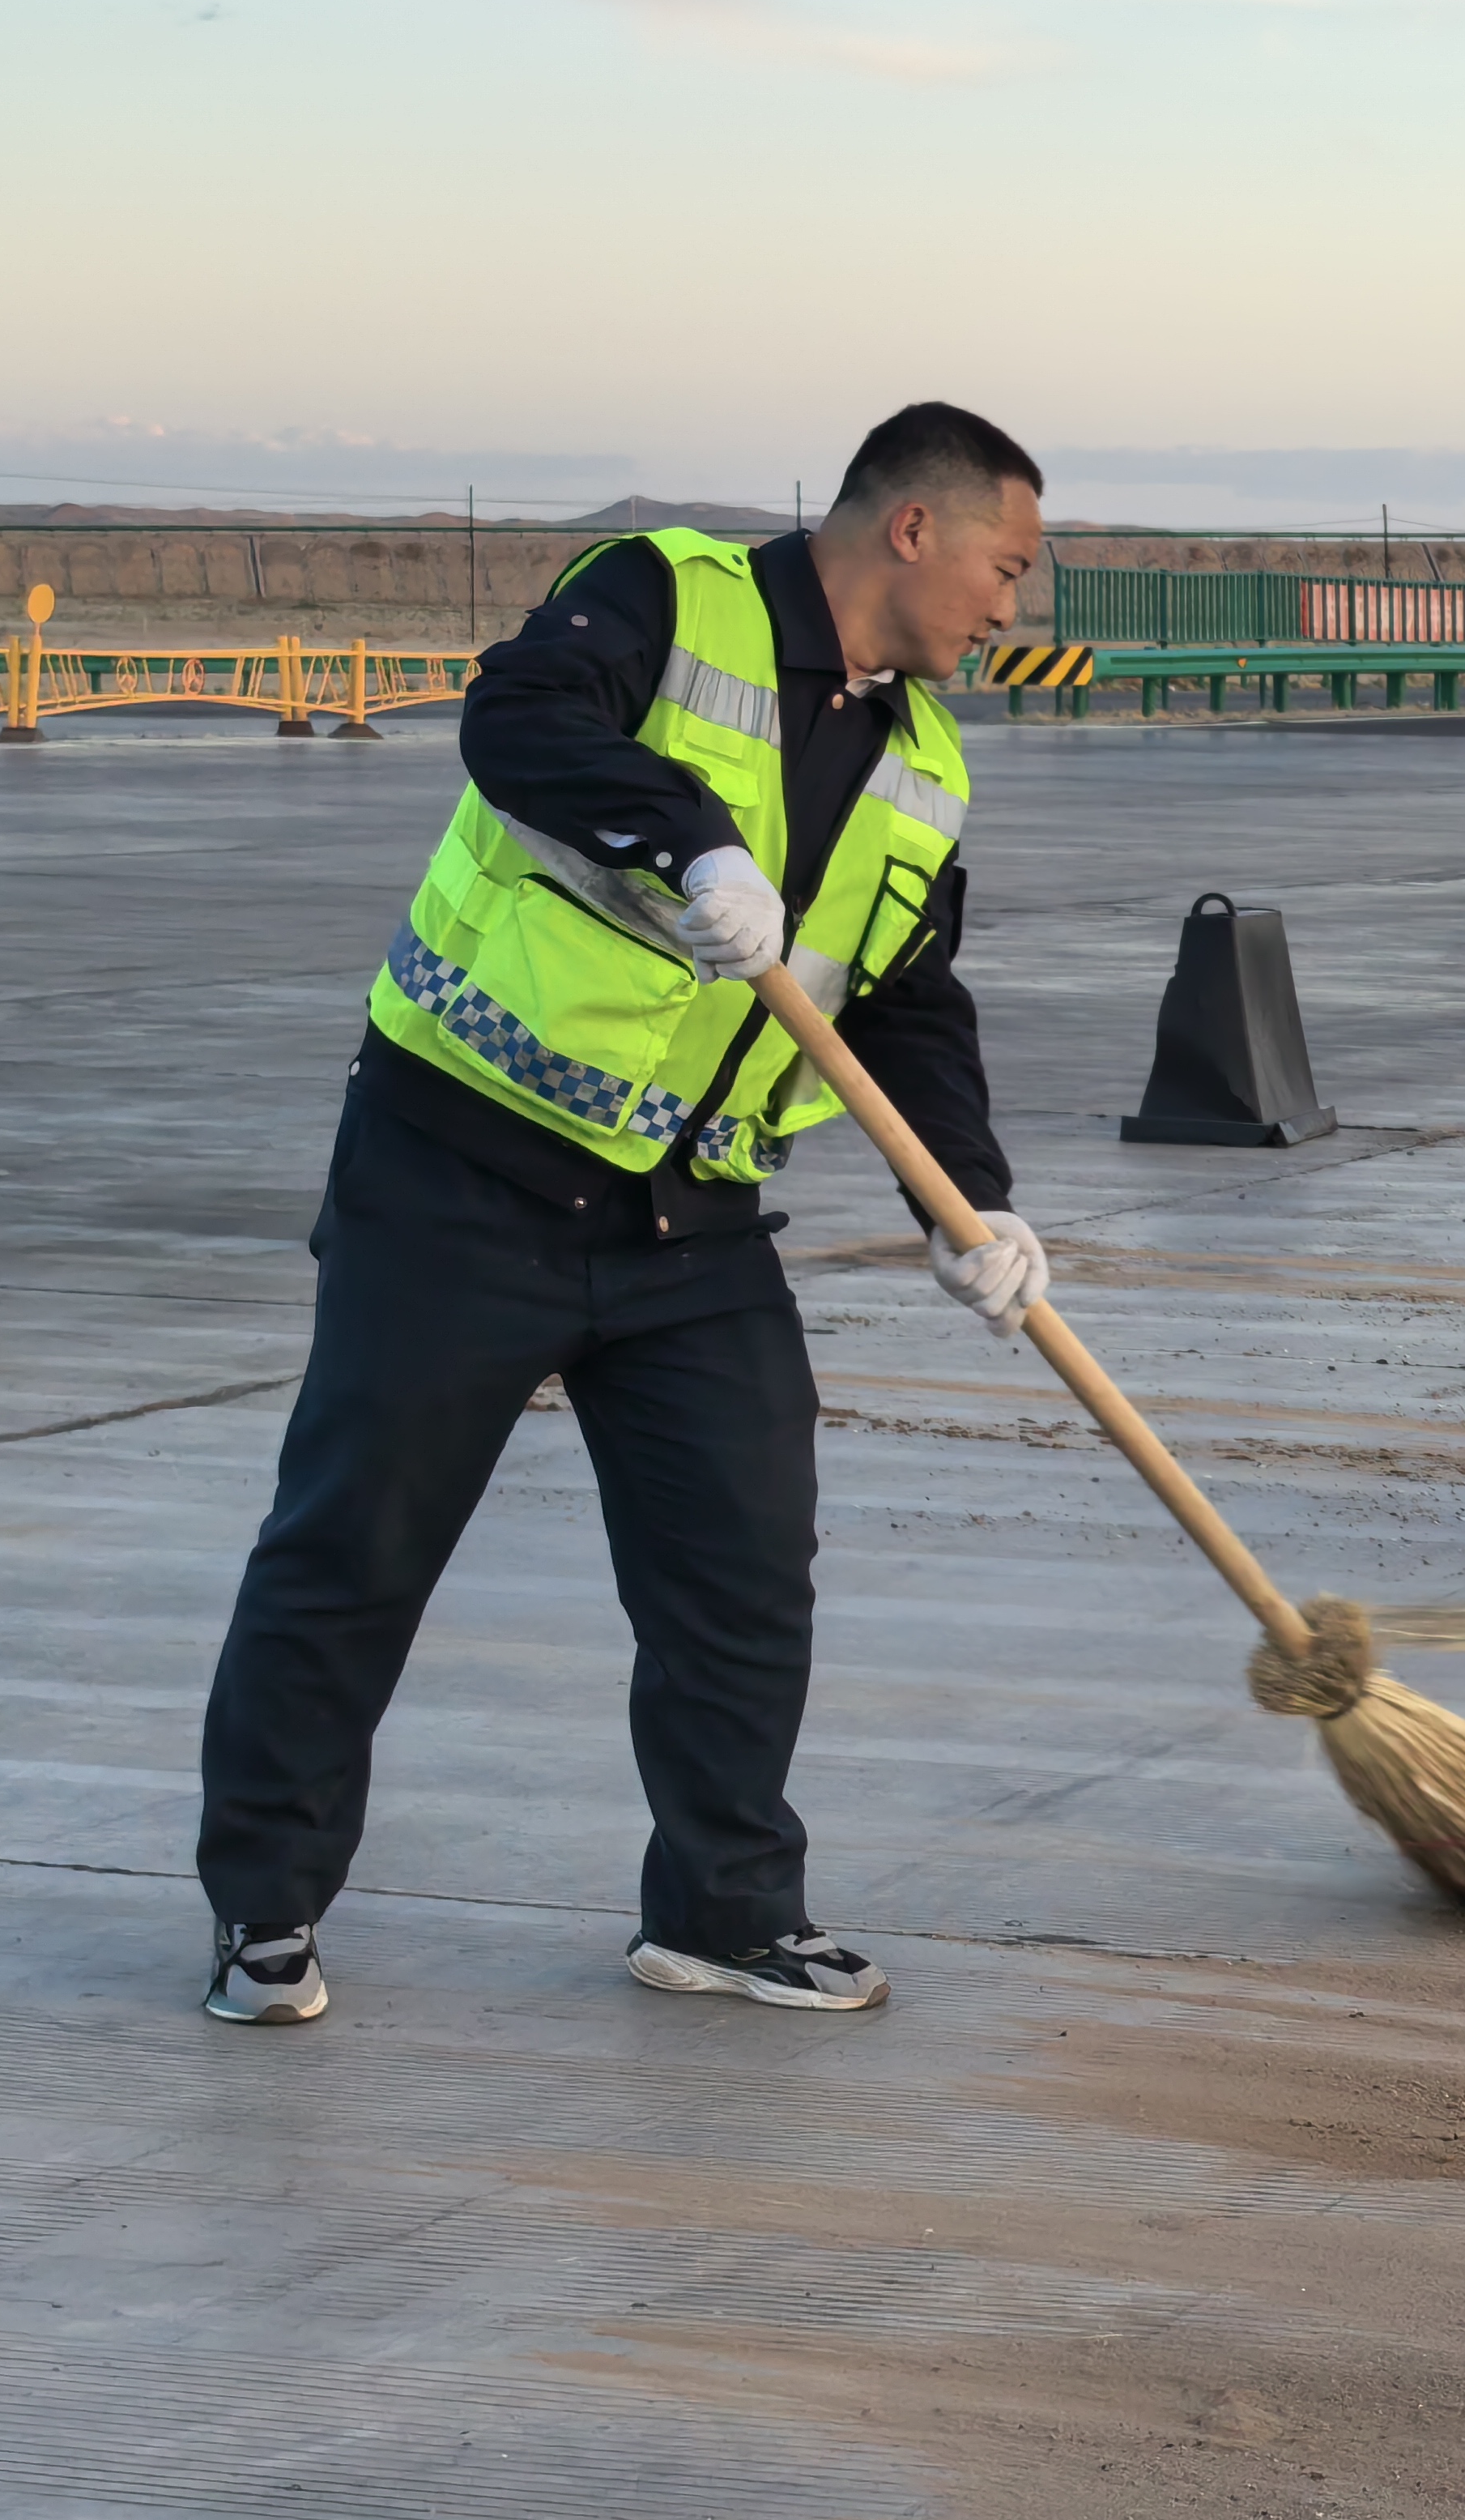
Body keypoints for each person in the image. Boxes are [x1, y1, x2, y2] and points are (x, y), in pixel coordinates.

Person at [190, 402, 1054, 2027]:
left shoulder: (928, 771)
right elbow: (513, 721)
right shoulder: (665, 596)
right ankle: (263, 1908)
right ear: (913, 530)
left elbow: (911, 1004)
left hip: (691, 1220)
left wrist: (970, 1207)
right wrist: (691, 836)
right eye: (1007, 568)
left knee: (744, 1567)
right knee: (354, 1547)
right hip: (461, 1173)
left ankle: (723, 1913)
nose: (1014, 611)